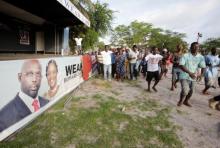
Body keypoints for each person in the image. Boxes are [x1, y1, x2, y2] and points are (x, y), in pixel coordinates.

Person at [0, 59, 48, 132]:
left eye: (38, 74)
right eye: (30, 74)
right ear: (20, 77)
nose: (34, 79)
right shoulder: (3, 117)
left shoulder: (46, 103)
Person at [177, 42, 206, 107]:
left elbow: (203, 67)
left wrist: (201, 75)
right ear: (190, 48)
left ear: (199, 48)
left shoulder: (201, 57)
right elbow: (181, 65)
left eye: (197, 47)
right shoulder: (185, 55)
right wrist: (189, 73)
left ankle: (186, 101)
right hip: (184, 75)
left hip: (193, 77)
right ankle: (181, 100)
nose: (196, 48)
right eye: (194, 46)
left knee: (191, 91)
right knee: (185, 91)